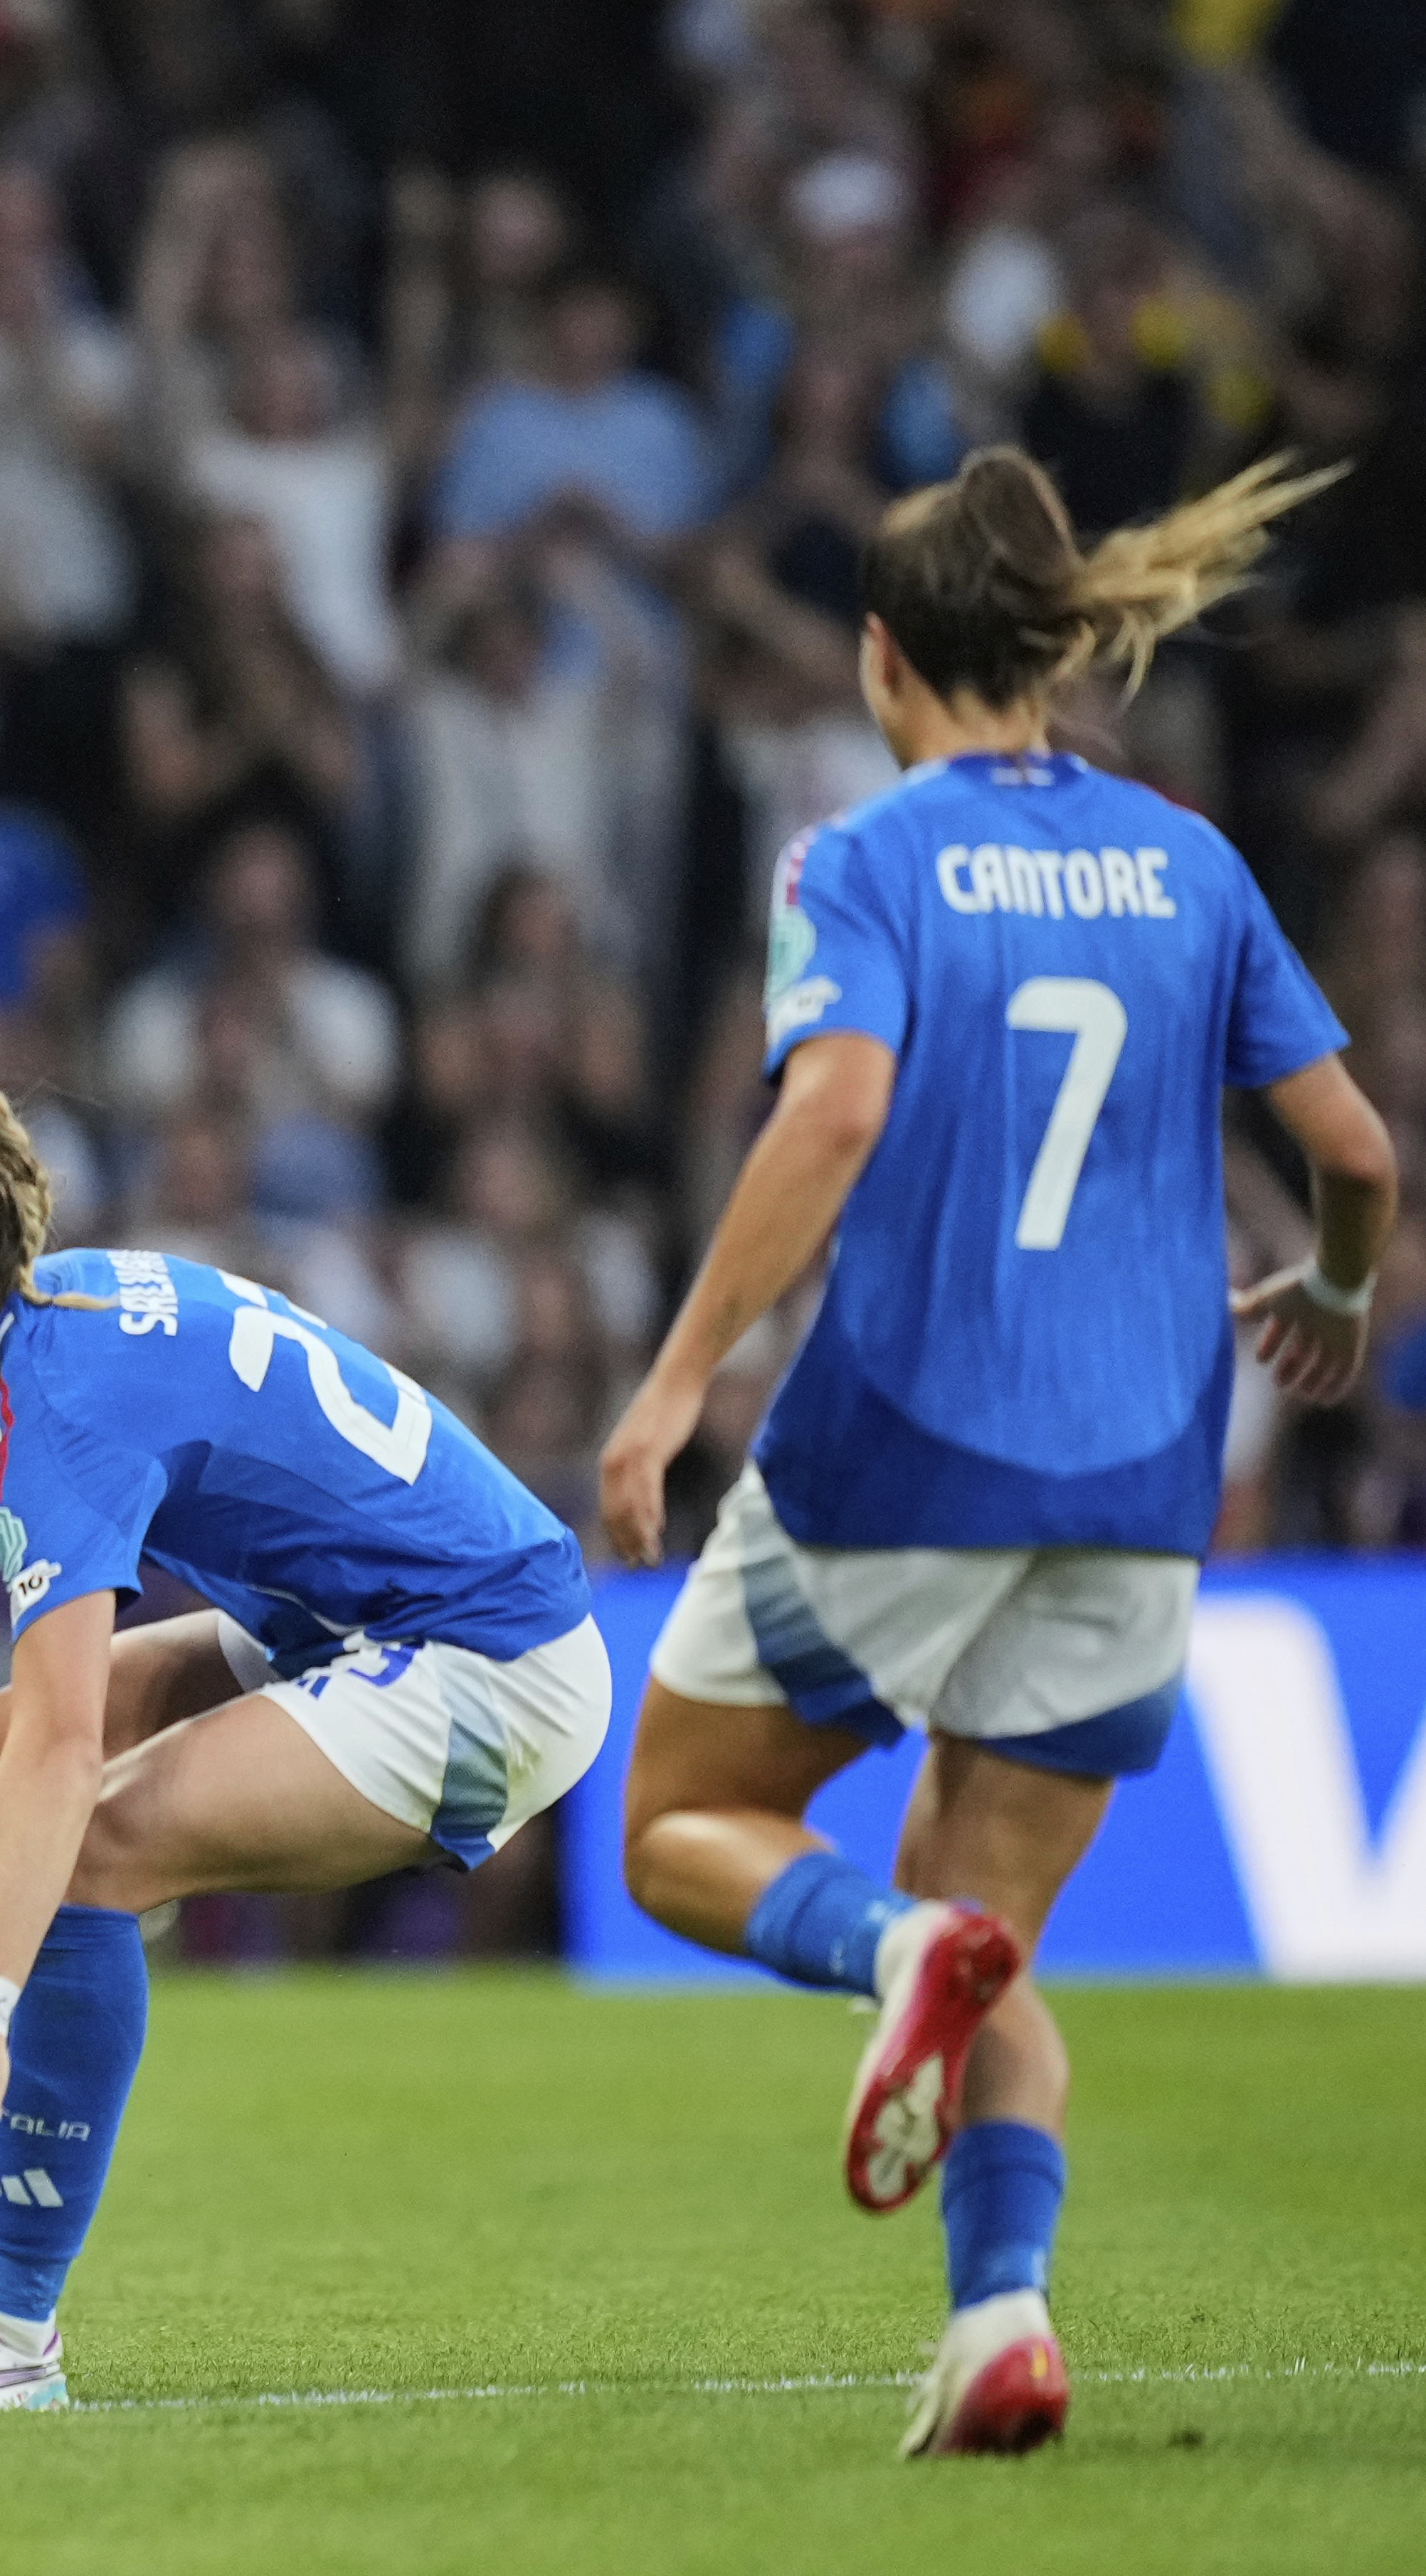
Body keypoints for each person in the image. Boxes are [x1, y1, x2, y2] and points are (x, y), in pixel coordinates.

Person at [593, 447, 1392, 2461]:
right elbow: (1359, 1154)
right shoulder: (1188, 863)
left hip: (899, 1450)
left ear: (880, 660)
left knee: (680, 1827)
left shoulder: (859, 859)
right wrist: (1343, 1291)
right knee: (996, 1934)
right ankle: (999, 2329)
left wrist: (677, 1373)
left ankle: (884, 1953)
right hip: (1140, 1482)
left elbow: (833, 1114)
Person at [0, 1084, 609, 2416]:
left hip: (488, 1665)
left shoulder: (66, 1412)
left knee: (88, 1838)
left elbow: (71, 1753)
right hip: (360, 1619)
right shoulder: (46, 1310)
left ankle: (10, 2331)